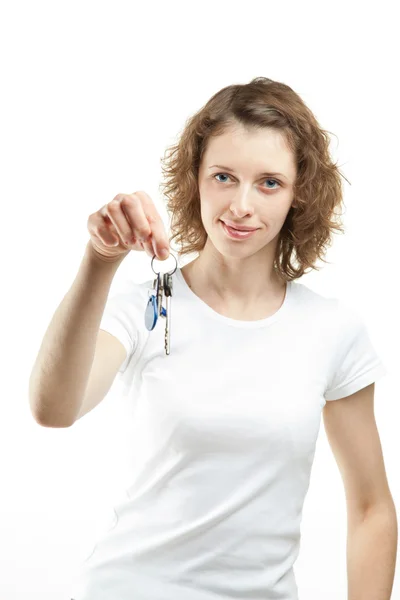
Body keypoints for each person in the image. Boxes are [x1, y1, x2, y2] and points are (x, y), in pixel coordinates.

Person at [29, 77, 388, 600]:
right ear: (195, 178)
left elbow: (371, 508)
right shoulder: (146, 306)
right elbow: (54, 408)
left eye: (269, 183)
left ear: (299, 195)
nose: (241, 205)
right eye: (224, 176)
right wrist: (99, 262)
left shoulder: (333, 331)